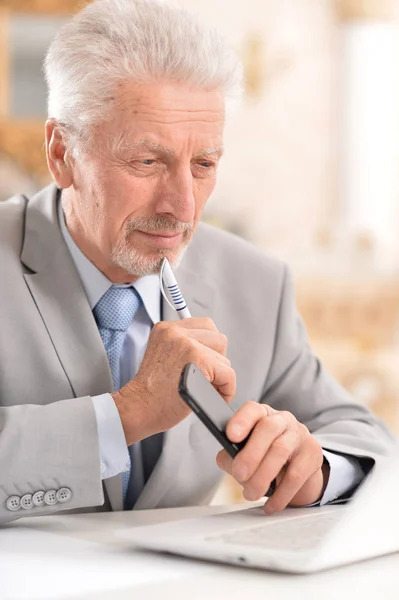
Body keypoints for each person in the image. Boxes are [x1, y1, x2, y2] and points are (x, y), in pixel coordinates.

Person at [0, 0, 394, 524]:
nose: (182, 208)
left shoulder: (255, 282)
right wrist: (126, 415)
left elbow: (370, 444)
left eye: (204, 164)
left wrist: (317, 469)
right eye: (147, 161)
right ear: (61, 153)